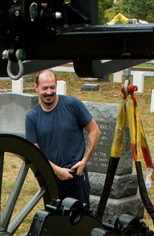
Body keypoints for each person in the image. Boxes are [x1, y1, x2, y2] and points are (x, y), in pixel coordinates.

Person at [25, 69, 100, 206]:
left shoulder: (72, 105)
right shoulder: (32, 117)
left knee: (80, 222)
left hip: (76, 176)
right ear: (36, 88)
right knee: (56, 223)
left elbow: (94, 130)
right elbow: (35, 152)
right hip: (51, 179)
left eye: (52, 87)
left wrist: (84, 160)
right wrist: (57, 170)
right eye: (45, 88)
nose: (49, 92)